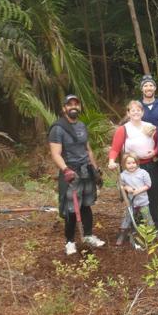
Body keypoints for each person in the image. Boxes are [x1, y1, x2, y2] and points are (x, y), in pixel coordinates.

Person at [48, 94, 105, 255]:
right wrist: (66, 170)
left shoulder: (81, 125)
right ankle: (70, 242)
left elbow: (88, 149)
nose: (73, 107)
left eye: (76, 104)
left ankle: (87, 235)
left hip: (86, 170)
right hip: (71, 172)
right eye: (69, 104)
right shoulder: (57, 128)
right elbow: (56, 154)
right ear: (64, 108)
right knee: (71, 209)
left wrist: (95, 170)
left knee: (86, 205)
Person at [107, 100, 158, 237]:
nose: (136, 112)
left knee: (155, 194)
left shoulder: (149, 126)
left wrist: (155, 151)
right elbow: (115, 148)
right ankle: (137, 225)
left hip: (151, 164)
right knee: (135, 196)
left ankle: (157, 224)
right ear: (128, 113)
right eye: (132, 110)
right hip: (132, 168)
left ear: (142, 112)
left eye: (138, 110)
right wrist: (111, 161)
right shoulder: (124, 129)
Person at [137, 75, 158, 216]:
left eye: (151, 85)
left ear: (155, 88)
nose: (148, 88)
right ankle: (155, 217)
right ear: (142, 89)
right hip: (148, 152)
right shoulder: (138, 106)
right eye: (145, 85)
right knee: (154, 186)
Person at [116, 153, 152, 246]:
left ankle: (151, 233)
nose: (131, 165)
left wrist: (139, 190)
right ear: (124, 164)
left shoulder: (143, 173)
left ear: (137, 163)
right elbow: (120, 185)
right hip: (131, 202)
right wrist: (127, 187)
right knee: (128, 218)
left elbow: (148, 184)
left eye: (133, 162)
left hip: (143, 201)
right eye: (128, 163)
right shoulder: (123, 175)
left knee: (147, 217)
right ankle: (123, 233)